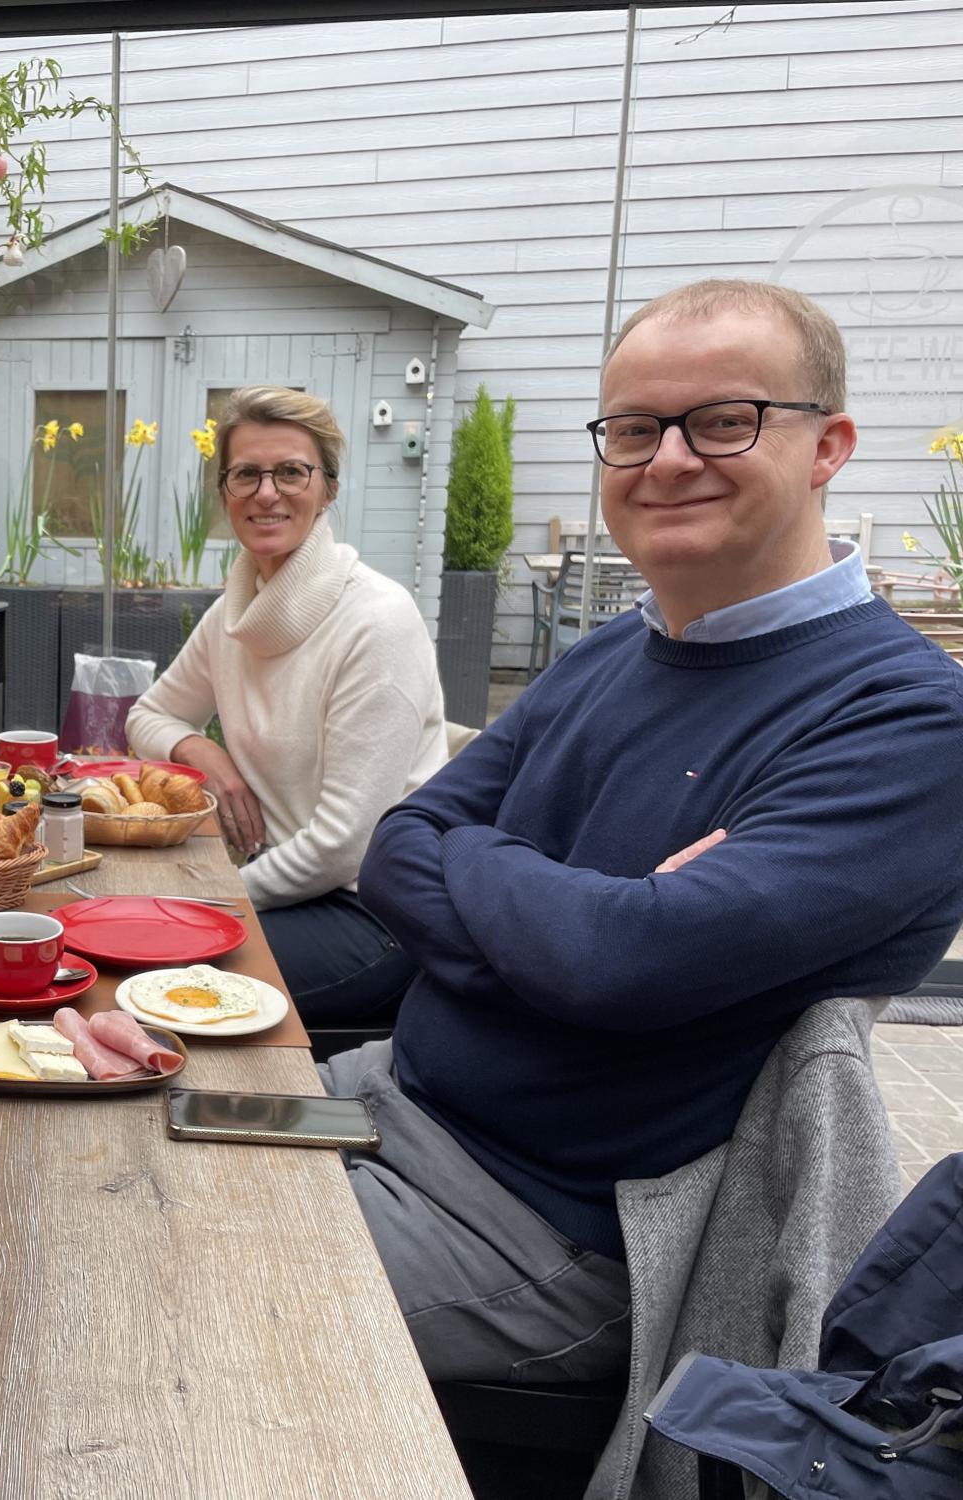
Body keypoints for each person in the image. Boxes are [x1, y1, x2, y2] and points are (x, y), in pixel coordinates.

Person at [331, 279, 963, 1385]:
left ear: (827, 447)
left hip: (542, 1231)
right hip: (387, 1093)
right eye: (631, 429)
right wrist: (575, 916)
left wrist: (514, 893)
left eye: (723, 420)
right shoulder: (603, 656)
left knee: (142, 1277)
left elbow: (613, 961)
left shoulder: (906, 721)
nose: (665, 459)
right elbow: (394, 848)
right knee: (72, 1148)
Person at [125, 387, 446, 1024]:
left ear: (328, 488)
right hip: (282, 883)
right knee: (113, 943)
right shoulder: (234, 614)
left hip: (374, 912)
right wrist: (203, 752)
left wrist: (212, 901)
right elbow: (147, 716)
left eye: (292, 472)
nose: (266, 493)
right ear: (225, 493)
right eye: (246, 474)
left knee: (149, 983)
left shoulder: (375, 620)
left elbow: (344, 847)